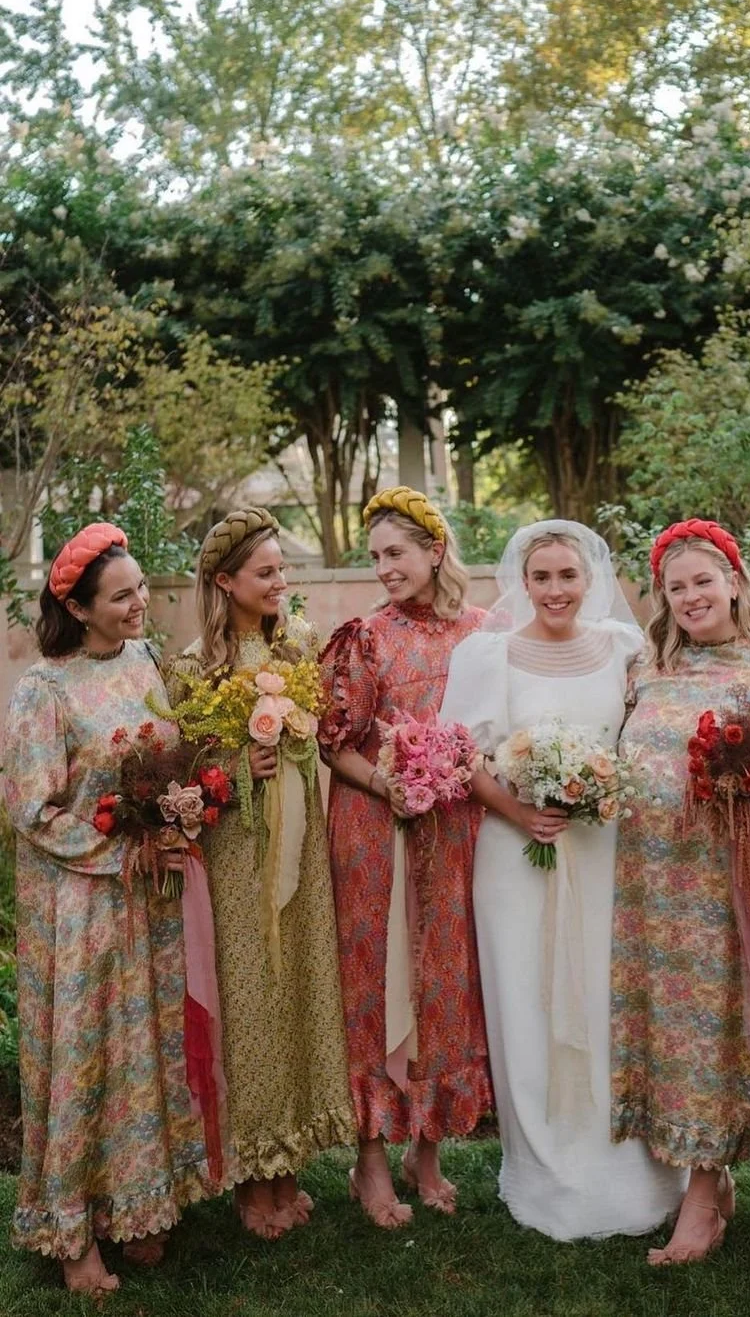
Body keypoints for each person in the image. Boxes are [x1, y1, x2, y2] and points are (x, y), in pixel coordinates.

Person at [439, 520, 686, 1240]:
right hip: (515, 855)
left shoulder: (625, 648)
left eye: (567, 576)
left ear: (590, 579)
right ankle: (545, 1170)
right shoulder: (486, 654)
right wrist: (520, 811)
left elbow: (651, 737)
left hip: (604, 850)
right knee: (527, 1000)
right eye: (541, 577)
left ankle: (627, 1169)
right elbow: (462, 756)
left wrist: (593, 792)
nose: (555, 589)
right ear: (522, 582)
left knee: (606, 997)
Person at [610, 519, 750, 1265]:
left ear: (734, 582)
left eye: (703, 581)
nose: (691, 596)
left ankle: (700, 1204)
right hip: (646, 890)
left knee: (711, 1034)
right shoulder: (649, 667)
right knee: (667, 1032)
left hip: (724, 888)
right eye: (676, 587)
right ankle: (707, 1179)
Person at [4, 524, 215, 1294]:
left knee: (144, 1052)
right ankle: (72, 1236)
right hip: (80, 905)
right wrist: (123, 852)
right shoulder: (45, 690)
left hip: (149, 902)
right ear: (78, 608)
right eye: (121, 597)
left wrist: (180, 812)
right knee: (87, 1060)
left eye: (140, 589)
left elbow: (171, 758)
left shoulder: (145, 660)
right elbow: (31, 808)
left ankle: (138, 1206)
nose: (140, 604)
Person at [167, 508, 353, 1240]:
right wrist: (240, 763)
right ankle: (251, 1177)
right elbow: (184, 778)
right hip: (237, 861)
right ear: (225, 581)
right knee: (249, 1006)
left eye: (283, 570)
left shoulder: (301, 644)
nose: (281, 582)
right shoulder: (193, 669)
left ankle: (289, 1165)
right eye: (266, 572)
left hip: (301, 851)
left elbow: (323, 739)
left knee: (297, 990)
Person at [319, 486, 492, 1227]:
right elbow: (333, 742)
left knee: (442, 981)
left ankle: (428, 1150)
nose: (385, 567)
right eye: (376, 557)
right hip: (375, 833)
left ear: (435, 550)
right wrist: (387, 782)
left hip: (453, 831)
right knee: (375, 983)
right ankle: (369, 1160)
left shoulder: (483, 634)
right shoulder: (364, 637)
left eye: (397, 553)